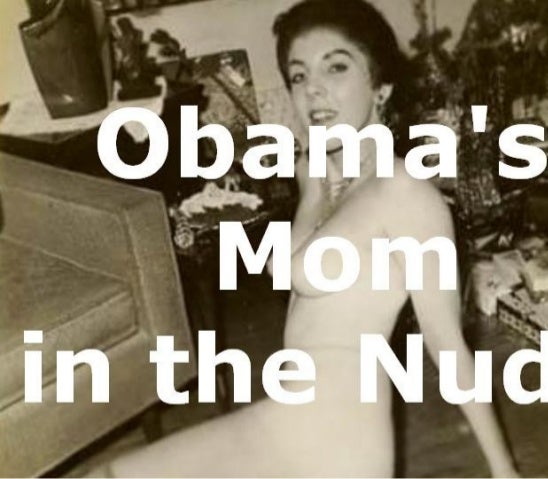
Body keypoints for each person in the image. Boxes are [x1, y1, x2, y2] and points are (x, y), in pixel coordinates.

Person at [100, 0, 518, 476]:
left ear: (381, 87)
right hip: (281, 422)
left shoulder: (406, 195)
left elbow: (448, 347)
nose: (312, 89)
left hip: (340, 447)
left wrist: (505, 472)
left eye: (335, 67)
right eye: (298, 75)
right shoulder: (317, 174)